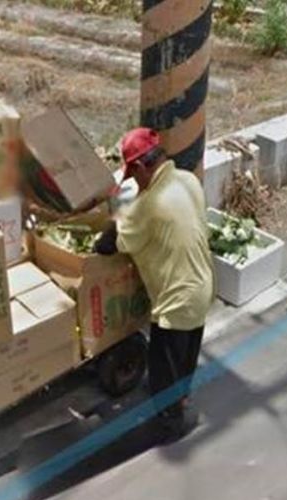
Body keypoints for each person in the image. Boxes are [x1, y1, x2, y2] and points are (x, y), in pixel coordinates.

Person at [94, 127, 215, 441]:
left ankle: (172, 424)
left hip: (175, 301)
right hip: (201, 287)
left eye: (133, 174)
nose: (135, 181)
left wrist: (119, 208)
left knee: (163, 365)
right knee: (185, 356)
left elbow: (107, 245)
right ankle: (181, 396)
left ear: (140, 166)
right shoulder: (188, 180)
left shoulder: (148, 205)